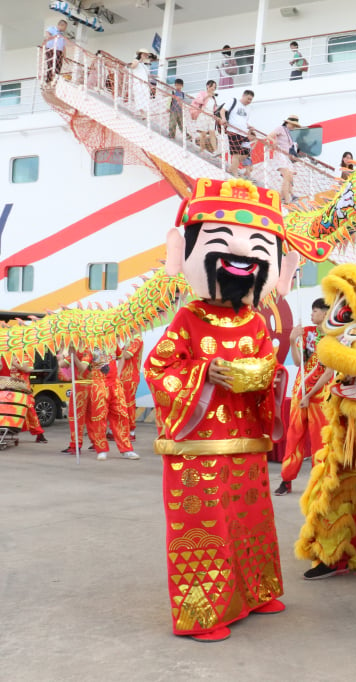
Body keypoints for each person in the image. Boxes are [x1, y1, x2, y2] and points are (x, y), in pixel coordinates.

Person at [143, 176, 321, 642]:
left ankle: (255, 591)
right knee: (204, 527)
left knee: (249, 520)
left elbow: (270, 365)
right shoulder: (188, 318)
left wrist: (255, 376)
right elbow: (159, 367)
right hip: (197, 447)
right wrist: (207, 372)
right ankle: (204, 612)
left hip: (243, 442)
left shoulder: (253, 319)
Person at [274, 298, 334, 496]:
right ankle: (286, 479)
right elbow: (300, 361)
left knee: (320, 442)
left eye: (316, 310)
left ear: (326, 313)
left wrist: (309, 394)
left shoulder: (335, 338)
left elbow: (328, 373)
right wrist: (292, 340)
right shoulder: (308, 334)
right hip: (300, 392)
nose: (312, 314)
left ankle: (321, 484)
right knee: (294, 437)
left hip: (319, 396)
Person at [82, 347, 139, 461]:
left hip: (115, 385)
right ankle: (101, 449)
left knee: (121, 415)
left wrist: (118, 373)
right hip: (99, 385)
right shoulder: (90, 346)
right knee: (99, 418)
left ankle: (126, 449)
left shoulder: (112, 343)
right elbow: (83, 367)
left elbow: (121, 356)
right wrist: (74, 356)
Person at [58, 347, 90, 454]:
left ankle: (79, 445)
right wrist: (63, 354)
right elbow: (61, 365)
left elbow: (82, 368)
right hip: (79, 386)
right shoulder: (76, 350)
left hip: (85, 385)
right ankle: (76, 444)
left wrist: (74, 356)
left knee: (82, 417)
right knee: (77, 417)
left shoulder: (87, 350)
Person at [10, 356, 46, 443]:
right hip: (9, 388)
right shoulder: (5, 355)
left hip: (23, 389)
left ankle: (39, 434)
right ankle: (7, 433)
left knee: (30, 410)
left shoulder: (25, 356)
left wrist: (14, 363)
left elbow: (27, 369)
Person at [267, 114, 301, 204]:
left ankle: (282, 197)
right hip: (280, 154)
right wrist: (274, 141)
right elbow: (270, 135)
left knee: (289, 176)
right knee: (287, 176)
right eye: (293, 124)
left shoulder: (288, 132)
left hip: (285, 156)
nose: (294, 127)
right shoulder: (280, 128)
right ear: (287, 122)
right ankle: (287, 200)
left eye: (295, 125)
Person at [219, 89, 255, 174]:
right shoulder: (233, 101)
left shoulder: (248, 109)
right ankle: (235, 174)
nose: (249, 101)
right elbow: (222, 110)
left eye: (251, 100)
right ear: (243, 96)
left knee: (246, 153)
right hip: (233, 131)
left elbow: (244, 121)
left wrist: (249, 126)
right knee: (236, 154)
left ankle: (232, 169)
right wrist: (223, 119)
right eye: (248, 98)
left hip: (244, 133)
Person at [118, 336, 144, 439]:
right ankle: (115, 430)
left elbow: (127, 355)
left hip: (130, 377)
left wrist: (114, 347)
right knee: (119, 404)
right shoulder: (130, 340)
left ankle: (131, 432)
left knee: (128, 404)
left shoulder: (137, 340)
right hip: (122, 376)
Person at [191, 80, 218, 154]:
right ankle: (202, 150)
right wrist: (207, 96)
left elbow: (214, 108)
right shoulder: (202, 93)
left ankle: (215, 150)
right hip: (203, 115)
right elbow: (198, 101)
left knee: (212, 133)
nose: (213, 88)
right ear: (207, 86)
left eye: (214, 87)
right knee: (203, 134)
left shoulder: (213, 98)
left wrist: (216, 115)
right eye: (212, 86)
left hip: (211, 117)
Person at [129, 49, 155, 117]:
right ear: (140, 54)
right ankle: (142, 112)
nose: (145, 56)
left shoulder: (144, 65)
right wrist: (138, 60)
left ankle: (143, 112)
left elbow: (146, 75)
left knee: (145, 97)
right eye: (144, 54)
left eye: (146, 55)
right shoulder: (136, 61)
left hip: (145, 84)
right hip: (138, 83)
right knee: (139, 97)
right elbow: (132, 66)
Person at [42, 20, 67, 85]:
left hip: (59, 51)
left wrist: (65, 56)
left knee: (58, 65)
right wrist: (52, 37)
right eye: (65, 27)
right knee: (51, 64)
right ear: (61, 25)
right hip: (51, 49)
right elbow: (47, 34)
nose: (65, 29)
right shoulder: (52, 29)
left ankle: (56, 80)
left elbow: (64, 46)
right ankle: (49, 81)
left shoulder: (62, 35)